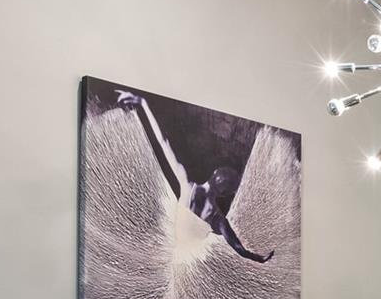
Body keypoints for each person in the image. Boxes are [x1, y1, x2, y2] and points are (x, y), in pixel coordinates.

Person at [115, 90, 274, 263]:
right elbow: (238, 248)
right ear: (226, 194)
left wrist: (143, 103)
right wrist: (259, 258)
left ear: (213, 174)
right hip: (187, 261)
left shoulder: (186, 183)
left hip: (171, 251)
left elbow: (163, 142)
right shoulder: (216, 219)